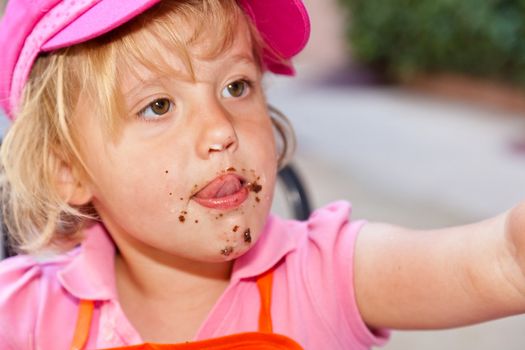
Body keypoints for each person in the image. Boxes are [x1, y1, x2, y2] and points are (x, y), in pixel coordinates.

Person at [0, 0, 525, 349]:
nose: (220, 129)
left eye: (236, 87)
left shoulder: (328, 273)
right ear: (67, 169)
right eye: (158, 105)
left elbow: (501, 264)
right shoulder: (29, 314)